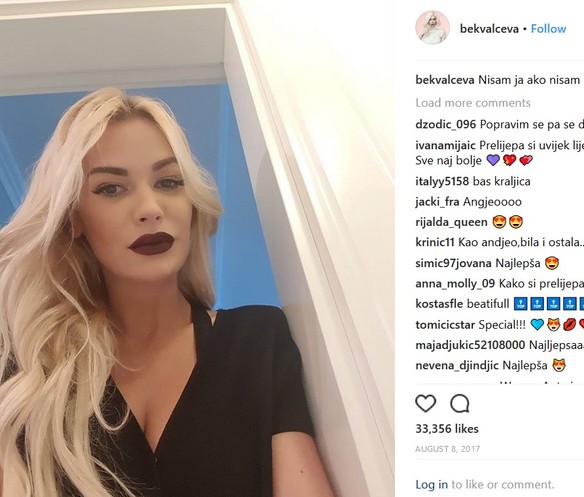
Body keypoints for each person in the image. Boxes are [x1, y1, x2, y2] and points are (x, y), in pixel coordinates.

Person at [0, 88, 335, 497]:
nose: (150, 208)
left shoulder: (257, 339)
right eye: (111, 188)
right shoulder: (29, 373)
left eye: (169, 182)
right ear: (74, 218)